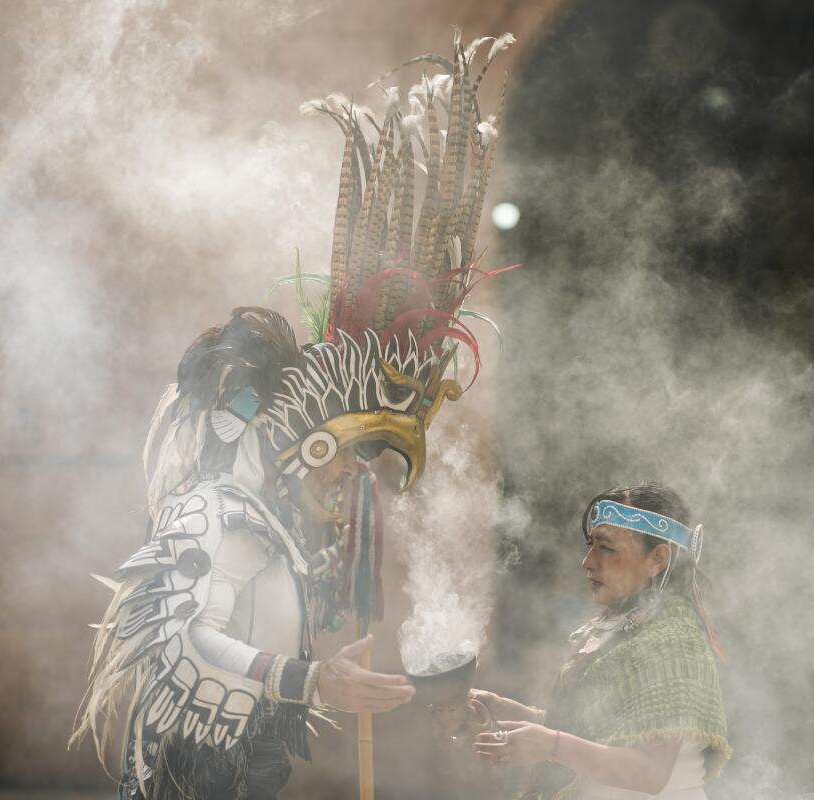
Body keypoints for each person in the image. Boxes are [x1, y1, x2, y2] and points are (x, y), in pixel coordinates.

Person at [70, 32, 515, 800]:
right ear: (303, 442)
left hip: (251, 764)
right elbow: (187, 639)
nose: (349, 478)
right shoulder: (211, 511)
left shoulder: (281, 526)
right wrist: (310, 681)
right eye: (343, 456)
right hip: (189, 771)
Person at [472, 483, 730, 799]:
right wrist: (508, 712)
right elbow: (599, 732)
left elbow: (649, 771)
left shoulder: (675, 639)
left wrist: (551, 744)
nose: (588, 561)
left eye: (606, 547)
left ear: (657, 559)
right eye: (591, 545)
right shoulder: (623, 627)